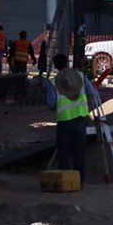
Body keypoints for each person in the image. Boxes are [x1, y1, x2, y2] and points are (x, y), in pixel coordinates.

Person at [46, 53, 98, 185]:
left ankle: (66, 182)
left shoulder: (53, 82)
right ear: (67, 63)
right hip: (80, 120)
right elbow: (92, 93)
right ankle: (80, 180)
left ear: (56, 66)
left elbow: (51, 103)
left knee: (64, 152)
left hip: (64, 122)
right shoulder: (80, 77)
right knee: (79, 152)